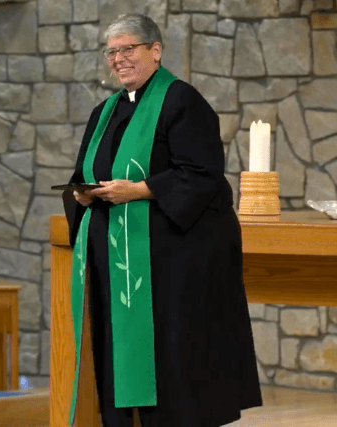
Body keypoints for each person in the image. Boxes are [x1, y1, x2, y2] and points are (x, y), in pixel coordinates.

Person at [62, 13, 263, 427]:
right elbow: (86, 169)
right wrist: (83, 193)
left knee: (173, 363)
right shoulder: (105, 111)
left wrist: (136, 191)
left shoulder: (183, 101)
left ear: (155, 51)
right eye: (111, 52)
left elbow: (202, 174)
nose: (118, 59)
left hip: (172, 266)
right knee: (118, 354)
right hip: (120, 263)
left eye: (127, 49)